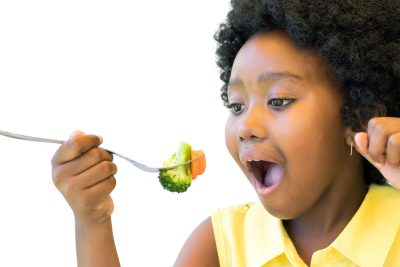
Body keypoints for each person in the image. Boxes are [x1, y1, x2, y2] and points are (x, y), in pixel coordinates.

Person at [51, 0, 400, 266]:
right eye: (236, 106)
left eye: (278, 100)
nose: (246, 126)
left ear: (358, 114)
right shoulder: (221, 242)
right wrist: (93, 220)